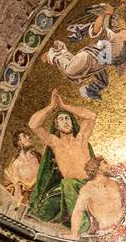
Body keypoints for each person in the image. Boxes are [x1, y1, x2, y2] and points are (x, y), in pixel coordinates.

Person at [25, 90, 97, 226]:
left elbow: (91, 116)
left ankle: (83, 227)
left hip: (87, 184)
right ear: (56, 126)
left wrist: (64, 107)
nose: (65, 122)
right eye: (61, 119)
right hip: (66, 187)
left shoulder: (81, 138)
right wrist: (51, 107)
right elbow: (33, 125)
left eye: (67, 118)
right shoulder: (54, 143)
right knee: (43, 211)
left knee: (68, 185)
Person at [70, 141, 126, 242]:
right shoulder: (88, 189)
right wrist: (74, 234)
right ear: (98, 169)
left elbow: (125, 167)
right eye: (105, 163)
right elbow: (78, 211)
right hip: (108, 233)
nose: (110, 166)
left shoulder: (116, 181)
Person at [2, 130, 40, 207]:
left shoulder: (37, 156)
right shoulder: (16, 164)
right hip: (31, 201)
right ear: (19, 142)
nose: (29, 137)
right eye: (25, 136)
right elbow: (17, 190)